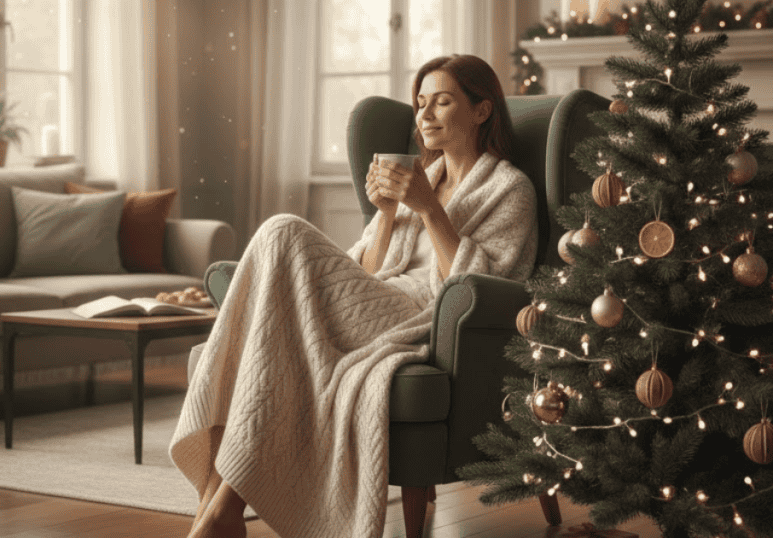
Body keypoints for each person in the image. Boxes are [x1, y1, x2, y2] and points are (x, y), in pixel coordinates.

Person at [169, 54, 537, 538]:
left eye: (442, 102)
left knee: (282, 230)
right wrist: (384, 213)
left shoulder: (509, 189)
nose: (424, 115)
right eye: (420, 102)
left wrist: (428, 208)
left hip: (420, 316)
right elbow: (364, 271)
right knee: (262, 335)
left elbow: (478, 286)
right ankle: (215, 509)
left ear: (482, 110)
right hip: (374, 302)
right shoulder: (418, 176)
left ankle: (220, 513)